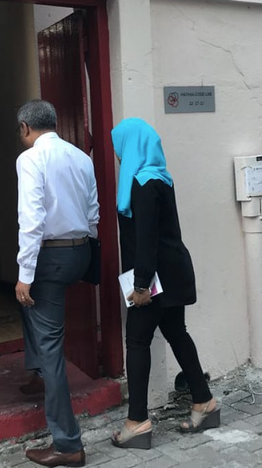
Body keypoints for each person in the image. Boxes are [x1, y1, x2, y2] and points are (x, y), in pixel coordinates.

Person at [109, 117, 219, 450]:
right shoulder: (160, 177)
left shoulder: (143, 183)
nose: (117, 155)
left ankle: (137, 422)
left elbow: (147, 238)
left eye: (119, 147)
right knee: (176, 333)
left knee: (137, 341)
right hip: (171, 272)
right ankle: (204, 401)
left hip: (155, 278)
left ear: (130, 147)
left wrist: (141, 286)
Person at [15, 99, 99, 468]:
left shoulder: (30, 159)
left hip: (50, 257)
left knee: (51, 344)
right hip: (80, 252)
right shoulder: (81, 157)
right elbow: (93, 212)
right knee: (27, 304)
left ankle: (67, 444)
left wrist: (25, 273)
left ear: (25, 128)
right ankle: (38, 372)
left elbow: (31, 219)